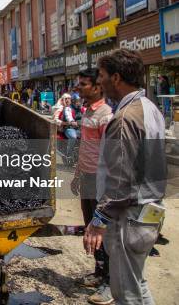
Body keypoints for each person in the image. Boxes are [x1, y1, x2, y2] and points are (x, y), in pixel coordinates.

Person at [84, 49, 166, 305]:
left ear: (116, 78)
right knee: (137, 285)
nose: (100, 81)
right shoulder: (149, 107)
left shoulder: (124, 118)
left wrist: (98, 220)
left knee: (126, 294)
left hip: (129, 217)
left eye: (102, 75)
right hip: (150, 212)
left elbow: (120, 181)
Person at [70, 68, 113, 305]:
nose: (79, 88)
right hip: (86, 177)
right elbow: (85, 147)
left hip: (99, 181)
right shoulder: (87, 111)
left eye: (84, 84)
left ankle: (110, 282)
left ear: (97, 87)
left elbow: (111, 154)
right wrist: (77, 175)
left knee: (102, 231)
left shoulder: (106, 115)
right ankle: (99, 271)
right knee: (90, 228)